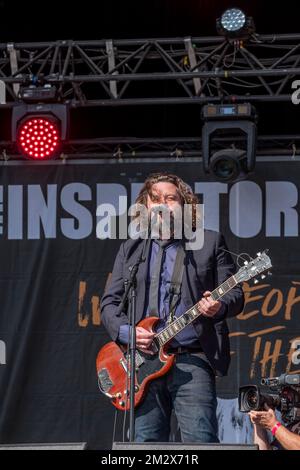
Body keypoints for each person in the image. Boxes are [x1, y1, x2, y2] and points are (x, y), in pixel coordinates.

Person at [101, 172, 244, 442]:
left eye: (170, 198)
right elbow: (109, 303)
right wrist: (127, 333)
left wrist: (218, 306)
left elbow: (235, 293)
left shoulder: (209, 242)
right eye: (155, 199)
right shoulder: (131, 249)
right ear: (145, 206)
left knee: (200, 440)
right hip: (143, 366)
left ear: (184, 205)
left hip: (193, 359)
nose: (163, 204)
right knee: (145, 444)